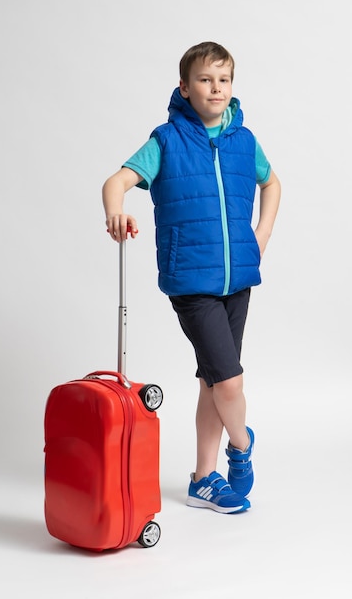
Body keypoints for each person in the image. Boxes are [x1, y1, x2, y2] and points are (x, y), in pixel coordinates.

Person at [102, 41, 281, 514]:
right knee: (230, 384)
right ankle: (241, 446)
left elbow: (272, 182)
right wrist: (116, 211)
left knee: (212, 382)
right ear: (185, 86)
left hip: (238, 279)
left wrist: (260, 233)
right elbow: (116, 181)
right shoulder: (166, 140)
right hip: (192, 284)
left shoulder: (244, 140)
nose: (216, 88)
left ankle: (204, 478)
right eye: (205, 79)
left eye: (224, 80)